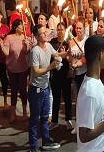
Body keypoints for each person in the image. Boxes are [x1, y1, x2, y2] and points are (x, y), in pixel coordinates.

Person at [28, 24, 66, 152]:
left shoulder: (48, 46)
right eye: (43, 33)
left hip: (45, 88)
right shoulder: (35, 51)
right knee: (35, 119)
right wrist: (51, 67)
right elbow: (35, 72)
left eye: (46, 32)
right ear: (37, 37)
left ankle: (46, 140)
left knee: (45, 117)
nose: (46, 34)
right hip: (36, 89)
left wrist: (69, 52)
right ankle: (33, 146)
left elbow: (58, 54)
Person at [0, 19, 31, 123]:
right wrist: (2, 46)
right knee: (13, 90)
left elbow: (27, 53)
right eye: (21, 25)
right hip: (12, 69)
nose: (23, 27)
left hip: (23, 68)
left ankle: (25, 112)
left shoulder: (25, 38)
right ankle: (13, 113)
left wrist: (27, 45)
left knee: (23, 90)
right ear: (16, 27)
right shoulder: (9, 38)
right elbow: (6, 53)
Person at [49, 22, 73, 131]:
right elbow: (52, 56)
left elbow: (71, 57)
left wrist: (67, 53)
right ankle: (54, 120)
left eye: (62, 29)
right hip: (56, 74)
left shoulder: (69, 42)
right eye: (58, 29)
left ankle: (69, 120)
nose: (60, 31)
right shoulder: (53, 43)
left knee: (67, 98)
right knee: (56, 98)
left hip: (66, 74)